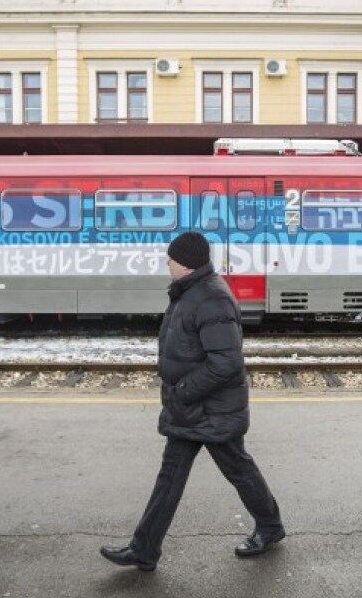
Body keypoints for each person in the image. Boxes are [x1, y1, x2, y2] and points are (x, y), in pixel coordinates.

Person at [100, 232, 285, 572]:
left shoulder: (211, 298)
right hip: (191, 409)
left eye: (170, 258)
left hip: (211, 409)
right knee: (171, 476)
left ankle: (270, 527)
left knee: (238, 469)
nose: (166, 263)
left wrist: (183, 390)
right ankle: (144, 548)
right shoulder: (191, 293)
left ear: (184, 263)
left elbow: (226, 362)